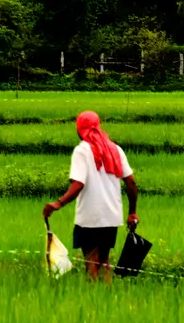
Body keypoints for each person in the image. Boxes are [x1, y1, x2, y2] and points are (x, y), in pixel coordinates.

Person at [43, 111, 139, 282]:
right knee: (104, 261)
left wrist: (58, 203)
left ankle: (93, 300)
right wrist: (132, 212)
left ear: (79, 130)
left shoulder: (82, 151)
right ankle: (106, 298)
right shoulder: (115, 149)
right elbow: (131, 182)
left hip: (89, 217)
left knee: (91, 263)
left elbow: (78, 184)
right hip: (111, 217)